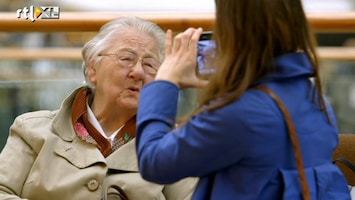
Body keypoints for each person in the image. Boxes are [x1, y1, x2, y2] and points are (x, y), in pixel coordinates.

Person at [135, 0, 351, 199]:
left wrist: (164, 82)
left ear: (233, 30)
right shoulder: (315, 99)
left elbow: (154, 162)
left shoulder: (239, 113)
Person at [0, 17, 197, 200]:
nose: (138, 72)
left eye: (150, 64)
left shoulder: (175, 144)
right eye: (126, 58)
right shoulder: (31, 130)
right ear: (93, 68)